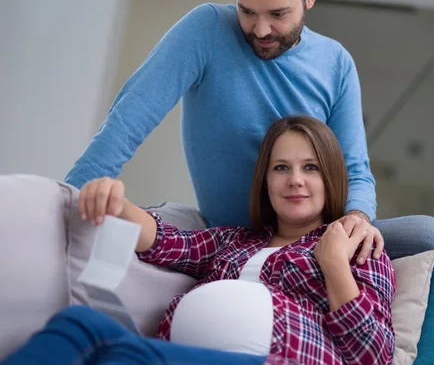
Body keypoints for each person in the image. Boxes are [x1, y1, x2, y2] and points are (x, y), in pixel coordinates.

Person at [64, 0, 434, 317]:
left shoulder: (336, 63)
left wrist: (356, 219)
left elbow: (355, 168)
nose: (260, 30)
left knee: (431, 238)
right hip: (234, 237)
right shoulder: (205, 30)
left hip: (312, 238)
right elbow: (131, 115)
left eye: (277, 14)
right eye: (247, 11)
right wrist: (70, 193)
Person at [3, 116, 395, 365]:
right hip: (188, 352)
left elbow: (374, 356)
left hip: (283, 358)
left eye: (310, 167)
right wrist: (117, 202)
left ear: (330, 178)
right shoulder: (234, 241)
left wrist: (333, 266)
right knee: (80, 323)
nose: (295, 179)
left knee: (121, 355)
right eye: (281, 168)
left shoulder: (358, 247)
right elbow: (165, 242)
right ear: (266, 181)